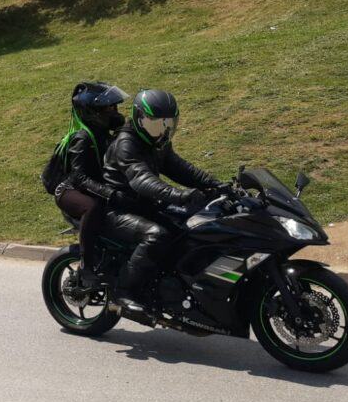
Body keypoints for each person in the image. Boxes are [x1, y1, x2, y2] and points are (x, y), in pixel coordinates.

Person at [102, 89, 223, 315]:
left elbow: (180, 168)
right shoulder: (126, 143)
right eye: (156, 124)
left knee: (193, 225)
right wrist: (177, 195)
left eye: (167, 124)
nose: (162, 131)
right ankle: (124, 293)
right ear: (139, 119)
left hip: (145, 205)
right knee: (156, 235)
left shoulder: (158, 142)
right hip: (119, 208)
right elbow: (141, 179)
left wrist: (216, 185)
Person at [53, 82, 136, 287]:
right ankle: (86, 266)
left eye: (115, 107)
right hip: (69, 191)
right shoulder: (82, 138)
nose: (115, 112)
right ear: (91, 112)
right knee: (93, 207)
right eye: (108, 108)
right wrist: (109, 194)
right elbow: (78, 177)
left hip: (91, 187)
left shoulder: (104, 134)